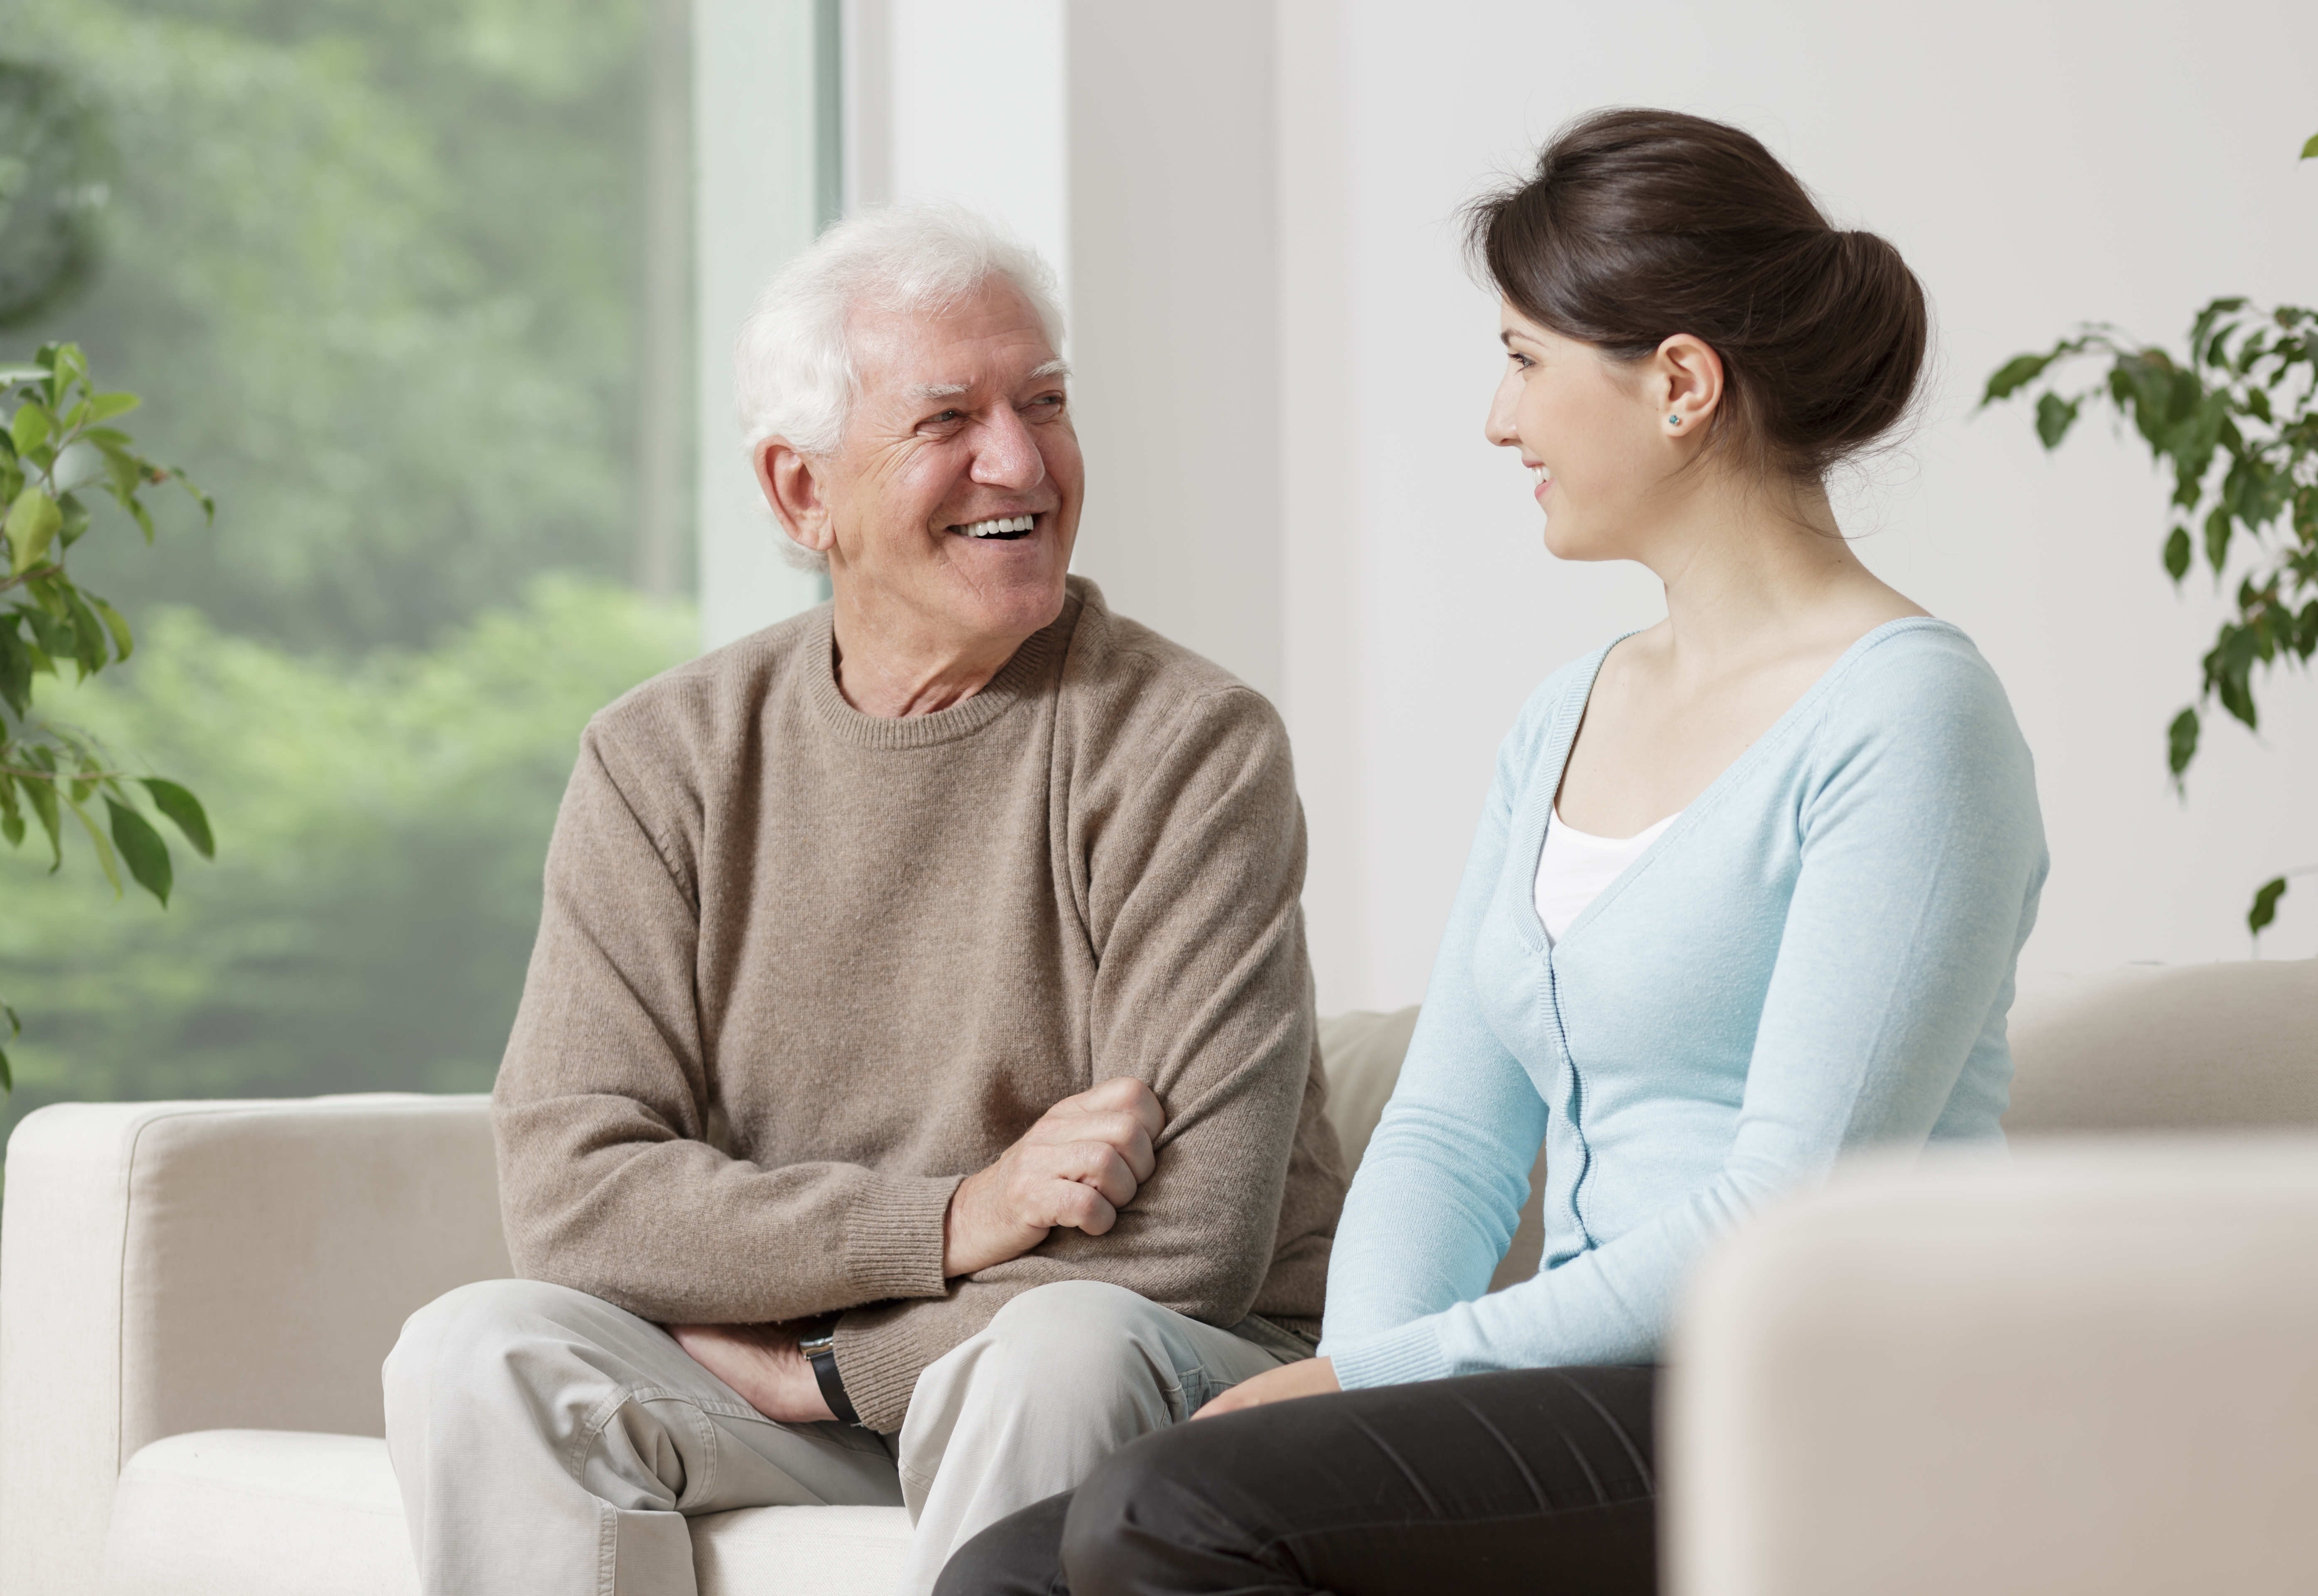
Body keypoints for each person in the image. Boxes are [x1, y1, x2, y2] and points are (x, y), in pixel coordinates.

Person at [939, 107, 2049, 1596]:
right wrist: (1357, 1392)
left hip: (1813, 1394)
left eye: (1526, 361)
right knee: (1014, 1568)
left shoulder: (1912, 717)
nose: (1498, 420)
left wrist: (1357, 1400)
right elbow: (1455, 1135)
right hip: (1597, 1390)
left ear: (1678, 385)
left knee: (1165, 1514)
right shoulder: (1568, 713)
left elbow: (1790, 1211)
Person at [380, 200, 1346, 1596]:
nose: (1018, 460)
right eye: (948, 418)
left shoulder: (1189, 745)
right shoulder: (663, 759)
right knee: (483, 1349)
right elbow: (576, 1198)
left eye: (1047, 403)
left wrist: (822, 1374)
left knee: (1056, 1349)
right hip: (839, 1360)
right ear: (799, 493)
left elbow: (1184, 1247)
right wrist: (956, 1215)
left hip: (1145, 1374)